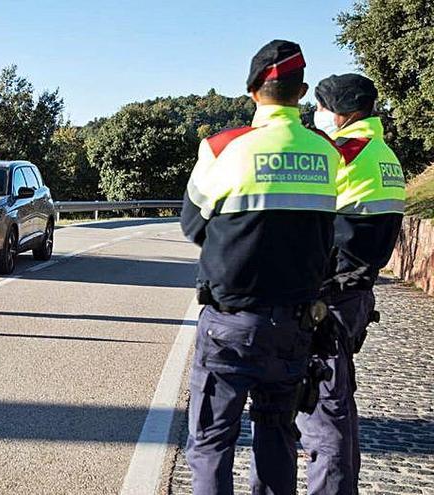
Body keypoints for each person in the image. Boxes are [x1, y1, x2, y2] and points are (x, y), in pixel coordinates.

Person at [180, 40, 344, 494]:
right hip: (294, 326)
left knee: (212, 443)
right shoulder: (326, 151)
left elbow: (193, 225)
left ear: (252, 90)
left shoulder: (221, 148)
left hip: (230, 324)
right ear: (303, 90)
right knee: (277, 439)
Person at [297, 74, 406, 495]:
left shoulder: (343, 153)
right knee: (338, 403)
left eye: (321, 108)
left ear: (345, 114)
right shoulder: (382, 152)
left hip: (332, 294)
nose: (316, 114)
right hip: (358, 289)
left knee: (322, 410)